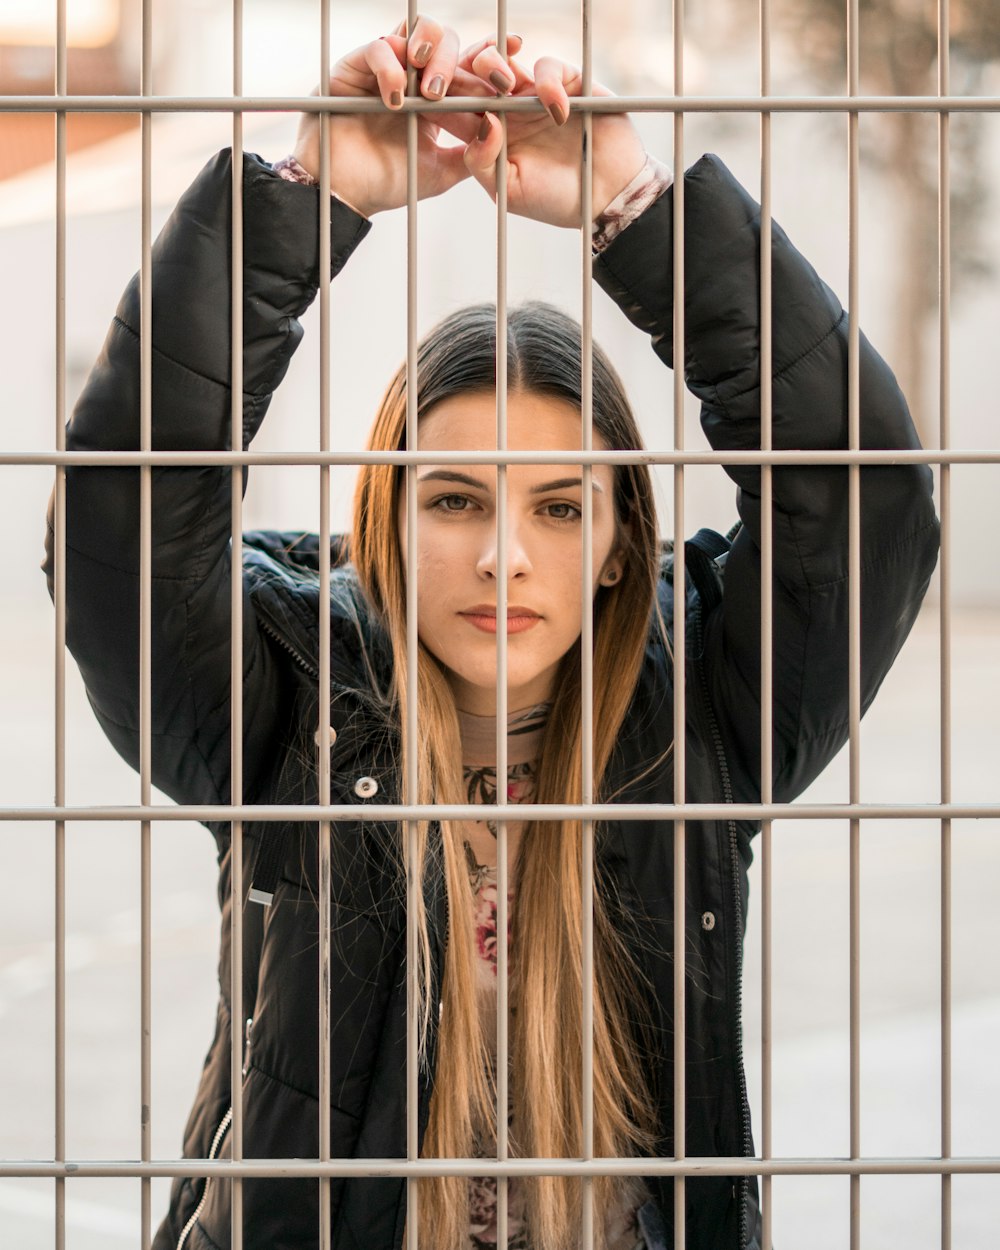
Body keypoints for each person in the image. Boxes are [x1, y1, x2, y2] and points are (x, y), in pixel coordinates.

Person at [44, 15, 940, 1250]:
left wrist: (634, 207)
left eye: (561, 507)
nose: (504, 553)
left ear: (624, 535)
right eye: (454, 499)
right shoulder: (282, 702)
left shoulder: (704, 713)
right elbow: (124, 513)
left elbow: (863, 495)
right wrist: (305, 201)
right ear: (385, 525)